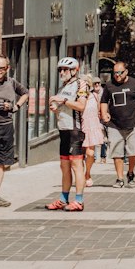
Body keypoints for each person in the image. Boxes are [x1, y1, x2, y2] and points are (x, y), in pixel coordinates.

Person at [0, 55, 31, 207]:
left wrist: (16, 107)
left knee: (1, 163)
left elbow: (25, 93)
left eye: (1, 68)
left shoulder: (12, 82)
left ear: (7, 68)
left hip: (7, 127)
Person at [100, 61, 135, 188]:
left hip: (132, 124)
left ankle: (130, 172)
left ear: (126, 72)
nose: (117, 75)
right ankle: (119, 178)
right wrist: (104, 114)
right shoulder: (109, 85)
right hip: (114, 125)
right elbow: (103, 101)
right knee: (117, 153)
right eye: (115, 73)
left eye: (120, 72)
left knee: (133, 152)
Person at [46, 57, 87, 211]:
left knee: (76, 165)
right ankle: (63, 198)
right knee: (64, 166)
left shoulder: (80, 84)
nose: (62, 72)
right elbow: (65, 105)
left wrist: (62, 100)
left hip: (74, 130)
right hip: (63, 130)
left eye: (65, 69)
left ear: (74, 70)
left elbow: (81, 106)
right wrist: (56, 108)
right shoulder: (63, 86)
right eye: (60, 69)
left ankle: (79, 200)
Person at [81, 78, 106, 188]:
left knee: (90, 153)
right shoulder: (79, 98)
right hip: (81, 126)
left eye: (87, 84)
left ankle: (87, 173)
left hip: (92, 126)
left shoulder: (95, 96)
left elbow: (100, 110)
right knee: (80, 154)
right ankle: (80, 175)